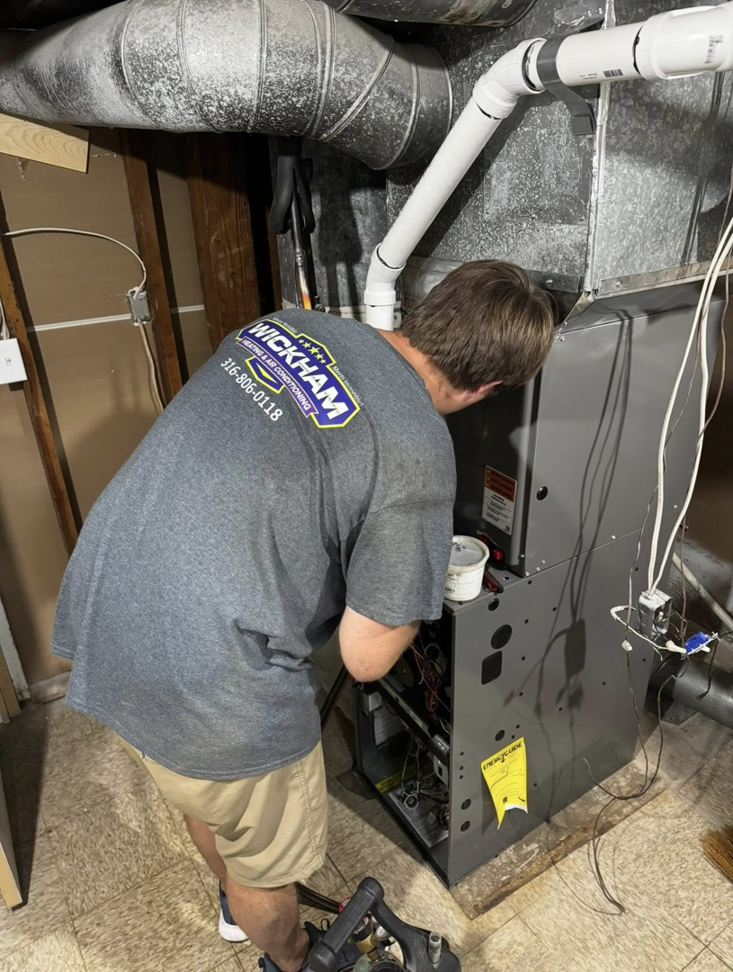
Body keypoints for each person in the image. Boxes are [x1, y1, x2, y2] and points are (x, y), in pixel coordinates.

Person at [51, 260, 555, 972]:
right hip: (212, 679)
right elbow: (365, 658)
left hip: (110, 607)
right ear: (489, 389)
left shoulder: (287, 327)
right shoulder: (416, 452)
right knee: (264, 860)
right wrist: (408, 591)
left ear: (429, 307)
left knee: (211, 799)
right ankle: (289, 959)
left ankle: (232, 904)